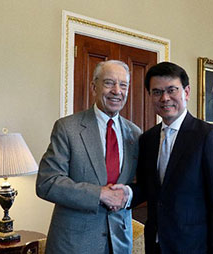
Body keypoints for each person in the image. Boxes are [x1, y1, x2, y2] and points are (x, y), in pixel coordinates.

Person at [36, 60, 141, 254]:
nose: (117, 91)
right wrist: (99, 194)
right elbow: (47, 182)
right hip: (73, 245)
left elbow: (140, 183)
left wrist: (128, 194)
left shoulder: (135, 134)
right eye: (109, 83)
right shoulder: (68, 128)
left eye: (123, 85)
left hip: (120, 244)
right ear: (94, 86)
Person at [130, 62, 213, 254]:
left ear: (186, 92)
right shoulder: (147, 139)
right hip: (156, 244)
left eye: (172, 90)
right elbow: (147, 189)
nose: (165, 98)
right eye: (156, 92)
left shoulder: (207, 136)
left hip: (194, 246)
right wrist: (117, 195)